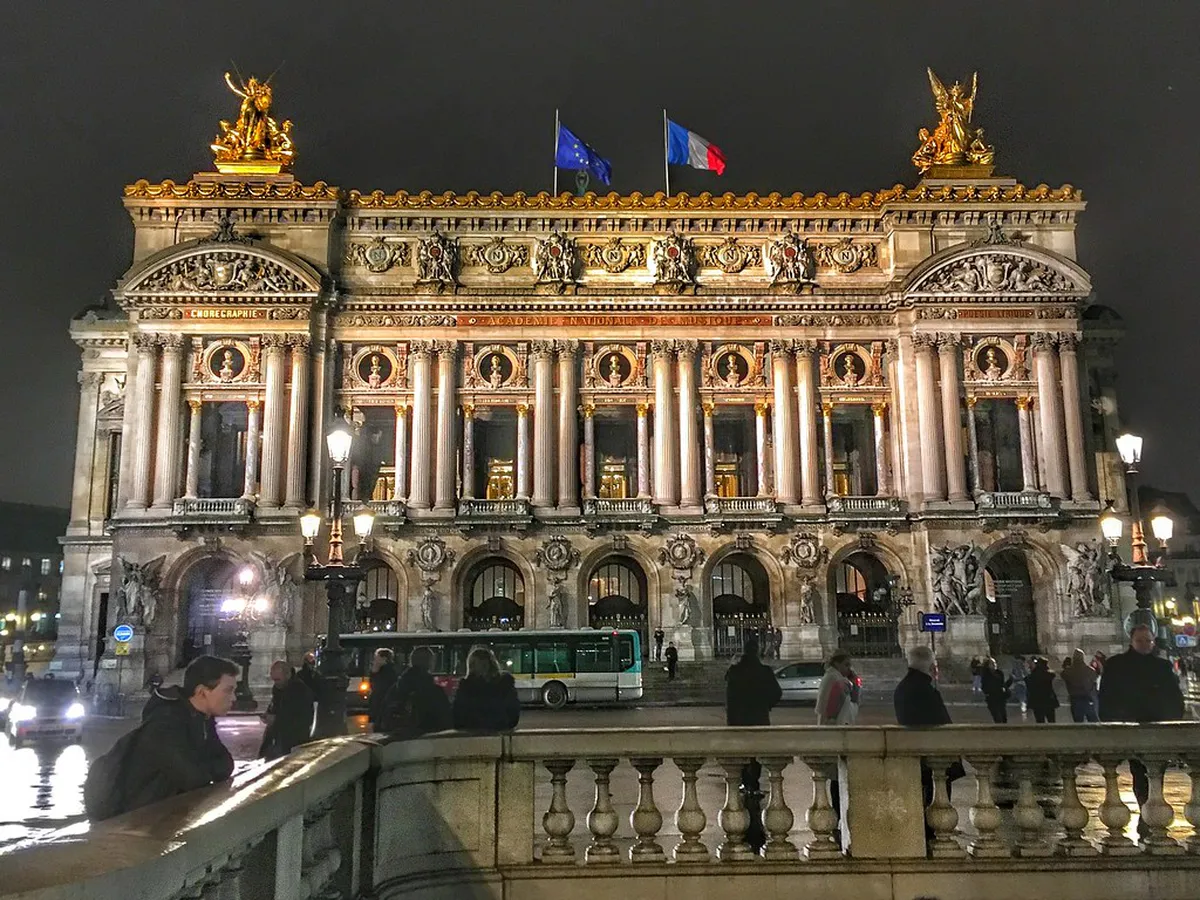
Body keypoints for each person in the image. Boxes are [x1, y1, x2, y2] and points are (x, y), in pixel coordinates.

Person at [122, 656, 238, 815]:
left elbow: (226, 764)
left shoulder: (203, 718)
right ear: (202, 692)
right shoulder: (166, 720)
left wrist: (204, 768)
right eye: (228, 690)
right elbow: (193, 777)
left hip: (167, 811)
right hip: (138, 815)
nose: (233, 698)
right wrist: (207, 767)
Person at [1099, 623, 1185, 828]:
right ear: (1131, 641)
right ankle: (1147, 814)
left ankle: (1151, 813)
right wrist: (1112, 722)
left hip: (1158, 728)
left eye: (1148, 640)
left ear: (1153, 641)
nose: (1145, 644)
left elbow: (1175, 697)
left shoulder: (1162, 666)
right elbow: (1106, 697)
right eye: (1140, 640)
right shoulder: (1116, 665)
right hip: (1134, 728)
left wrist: (1172, 719)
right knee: (1139, 772)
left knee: (1156, 772)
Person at [894, 645, 963, 852]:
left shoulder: (904, 687)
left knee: (925, 796)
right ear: (930, 664)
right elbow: (940, 722)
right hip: (932, 755)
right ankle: (937, 832)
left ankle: (930, 831)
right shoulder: (924, 689)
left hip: (917, 752)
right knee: (936, 797)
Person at [724, 636, 782, 854]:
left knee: (743, 755)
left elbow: (729, 699)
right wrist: (765, 705)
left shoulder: (735, 672)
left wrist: (731, 720)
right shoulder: (764, 672)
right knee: (756, 755)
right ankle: (753, 782)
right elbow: (777, 694)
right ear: (757, 652)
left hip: (739, 723)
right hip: (759, 721)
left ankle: (745, 783)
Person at [816, 651, 859, 844]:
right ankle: (839, 818)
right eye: (847, 665)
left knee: (835, 778)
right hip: (837, 733)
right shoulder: (837, 681)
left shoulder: (832, 678)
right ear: (839, 664)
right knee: (837, 779)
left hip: (831, 732)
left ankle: (838, 817)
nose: (849, 669)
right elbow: (832, 711)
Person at [382, 646, 452, 738]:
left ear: (411, 662)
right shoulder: (435, 692)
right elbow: (446, 722)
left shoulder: (395, 689)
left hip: (397, 743)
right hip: (429, 744)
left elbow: (382, 719)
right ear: (430, 663)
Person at [452, 647, 520, 732]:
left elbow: (457, 717)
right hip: (500, 735)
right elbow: (513, 714)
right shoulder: (505, 684)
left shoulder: (466, 687)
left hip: (472, 737)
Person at [258, 660, 315, 759]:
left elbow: (300, 718)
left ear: (288, 675)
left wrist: (276, 719)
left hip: (293, 739)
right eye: (274, 680)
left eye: (278, 679)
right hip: (278, 736)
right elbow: (275, 707)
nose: (276, 683)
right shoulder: (278, 688)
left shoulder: (300, 690)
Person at [1063, 647, 1099, 723]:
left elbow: (1063, 675)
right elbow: (1094, 679)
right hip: (1087, 698)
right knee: (1092, 721)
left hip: (1075, 698)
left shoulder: (1068, 671)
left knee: (1078, 722)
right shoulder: (1090, 670)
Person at [368, 648, 399, 729]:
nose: (374, 661)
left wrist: (373, 718)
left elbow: (378, 695)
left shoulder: (385, 674)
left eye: (376, 658)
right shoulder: (389, 671)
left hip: (382, 715)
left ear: (384, 659)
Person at [1025, 657, 1060, 723]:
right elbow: (1053, 675)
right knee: (1051, 720)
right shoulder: (1048, 674)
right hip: (1049, 700)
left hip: (1037, 701)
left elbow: (1028, 683)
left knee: (1040, 721)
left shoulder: (1032, 675)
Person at [979, 656, 1011, 723]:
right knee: (998, 718)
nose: (995, 664)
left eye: (995, 663)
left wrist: (1009, 682)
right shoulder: (986, 676)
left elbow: (1003, 685)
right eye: (992, 663)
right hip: (992, 700)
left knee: (1004, 718)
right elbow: (985, 688)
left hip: (1001, 699)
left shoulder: (999, 673)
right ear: (988, 666)